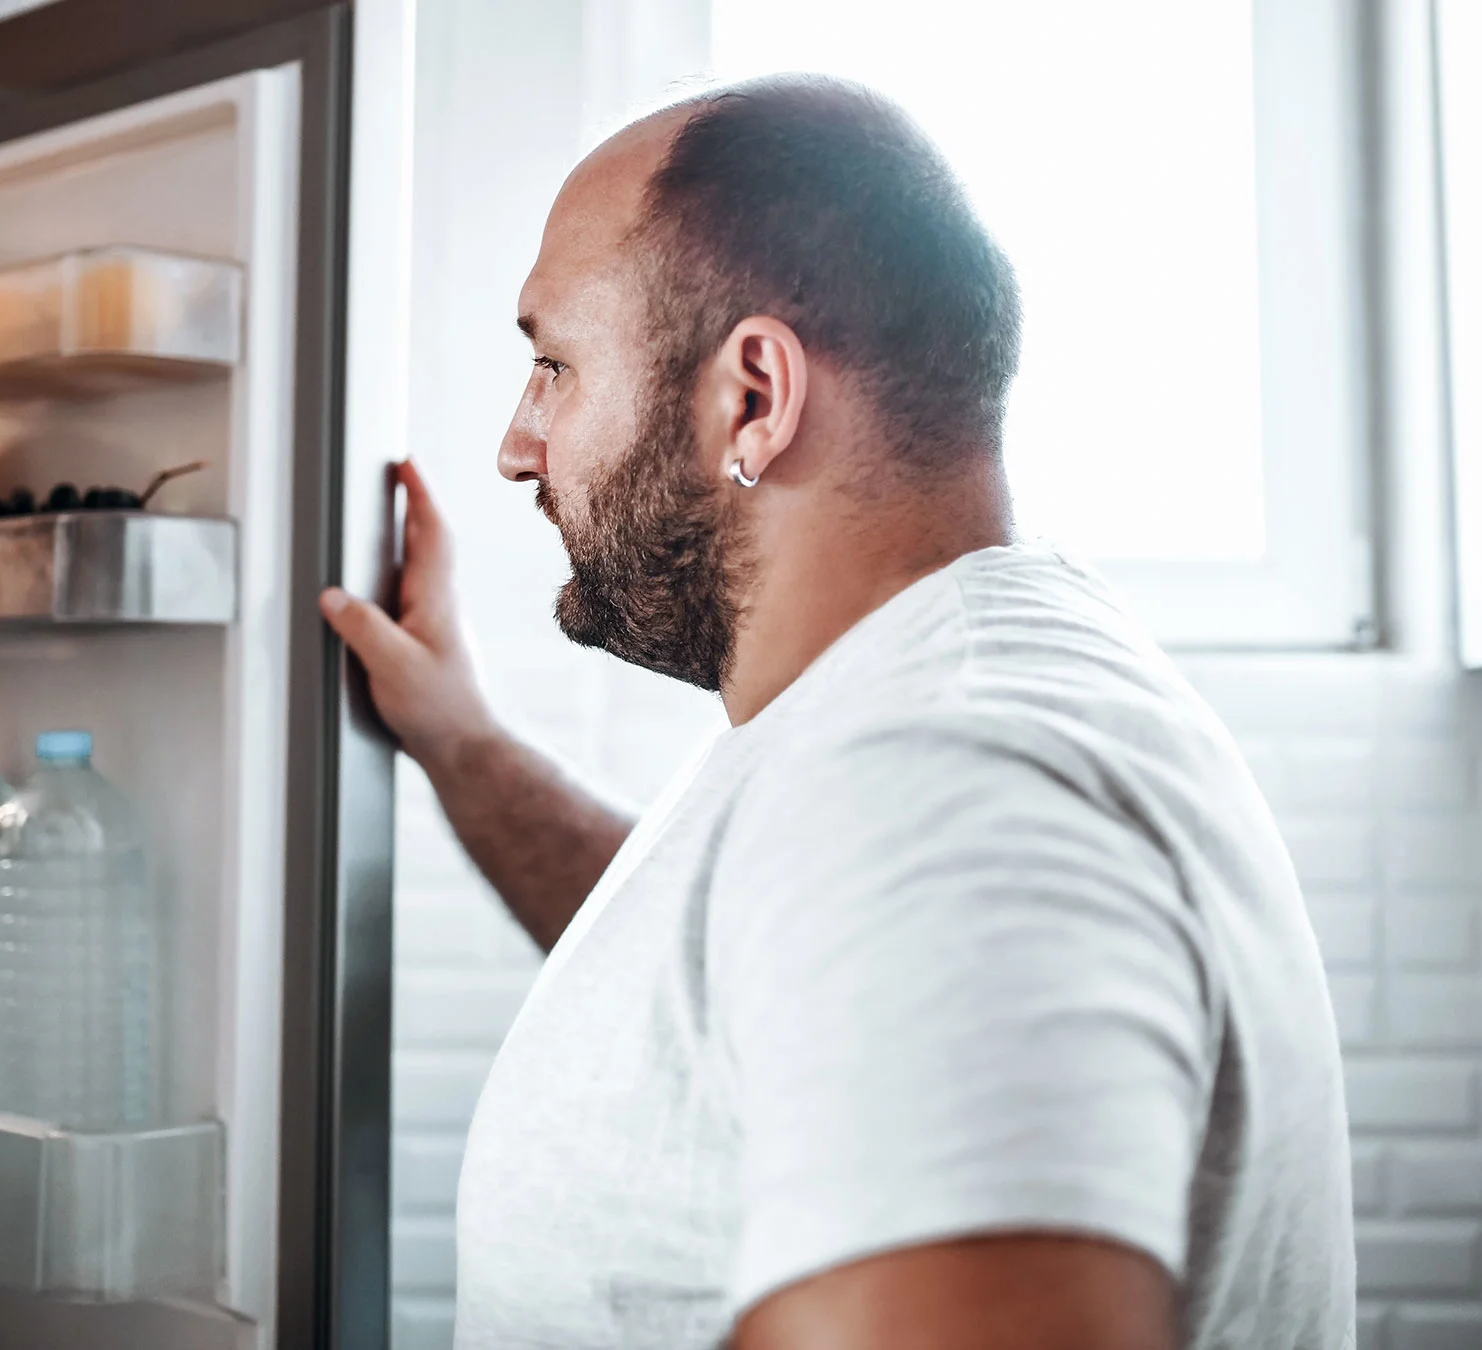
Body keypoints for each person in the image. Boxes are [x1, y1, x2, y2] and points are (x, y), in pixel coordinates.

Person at [319, 74, 1354, 1350]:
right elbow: (721, 986)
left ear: (751, 395)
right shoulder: (907, 713)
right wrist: (463, 745)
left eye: (554, 365)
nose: (518, 447)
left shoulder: (943, 781)